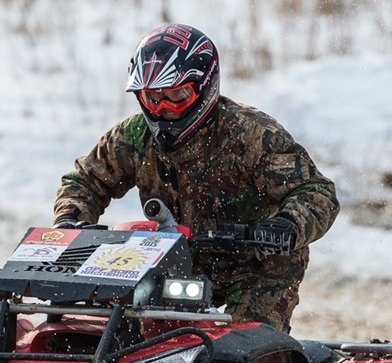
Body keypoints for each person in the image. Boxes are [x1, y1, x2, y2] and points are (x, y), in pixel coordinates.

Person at [53, 23, 340, 332]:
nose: (163, 109)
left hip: (254, 266)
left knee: (247, 349)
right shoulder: (133, 136)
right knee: (112, 331)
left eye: (176, 96)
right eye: (152, 98)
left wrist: (287, 226)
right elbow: (84, 181)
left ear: (204, 88)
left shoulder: (251, 134)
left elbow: (317, 192)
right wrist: (71, 222)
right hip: (172, 262)